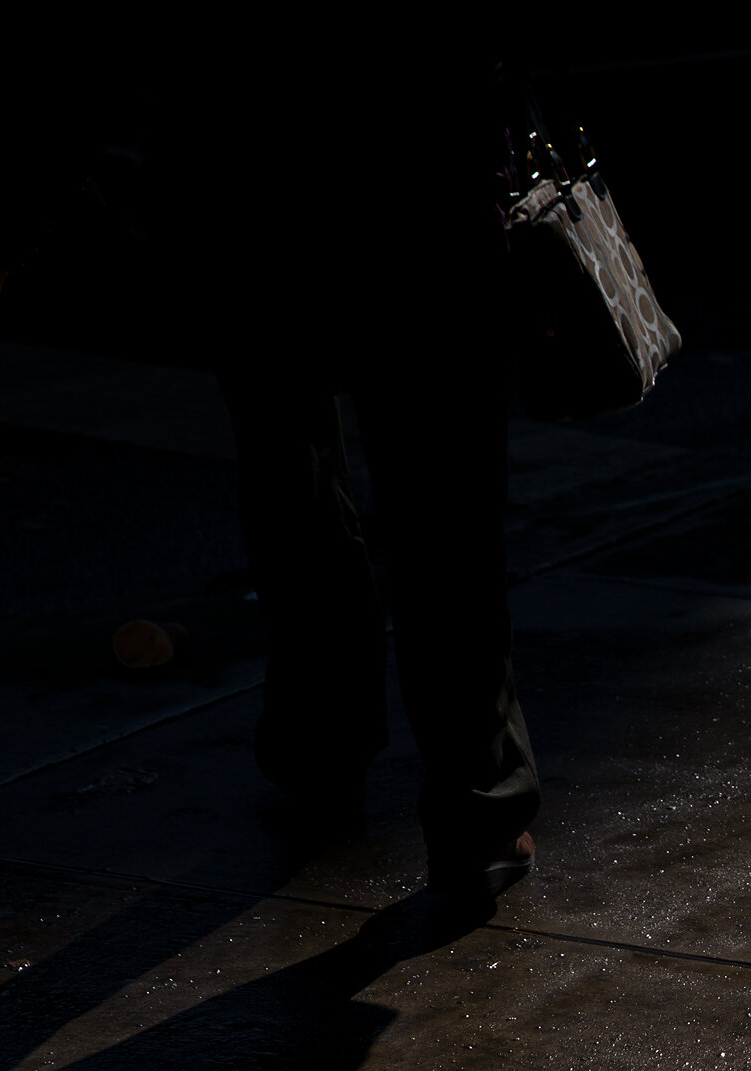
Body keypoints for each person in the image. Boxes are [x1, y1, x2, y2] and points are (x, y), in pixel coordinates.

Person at [194, 38, 541, 898]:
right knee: (444, 500)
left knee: (292, 479)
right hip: (419, 168)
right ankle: (477, 797)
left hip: (258, 167)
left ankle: (322, 740)